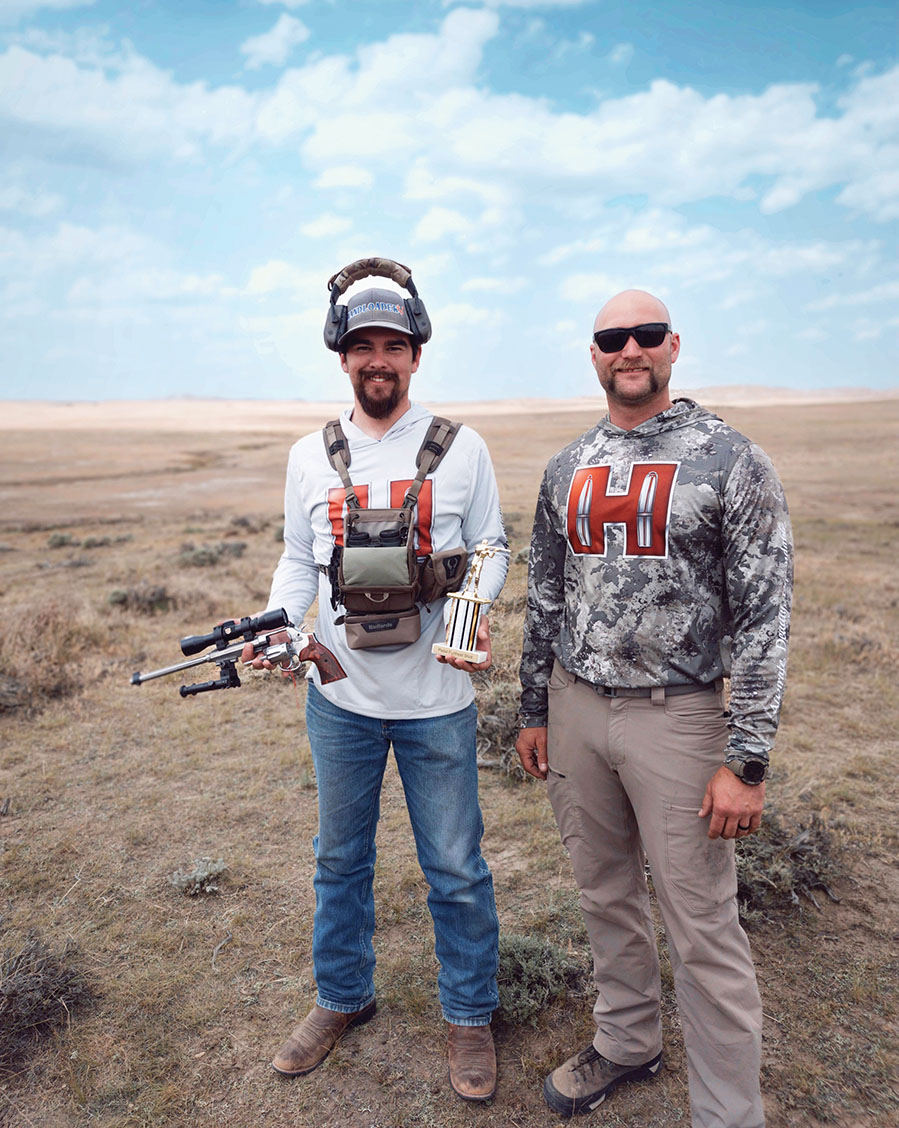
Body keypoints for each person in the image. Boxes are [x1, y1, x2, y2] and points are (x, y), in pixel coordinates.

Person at [516, 289, 792, 1126]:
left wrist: (745, 760)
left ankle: (726, 1111)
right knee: (603, 894)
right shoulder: (567, 467)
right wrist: (532, 707)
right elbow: (545, 595)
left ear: (671, 345)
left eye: (643, 335)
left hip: (679, 718)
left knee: (701, 924)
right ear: (592, 354)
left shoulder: (728, 459)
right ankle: (627, 1041)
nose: (626, 349)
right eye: (610, 338)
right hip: (575, 708)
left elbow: (764, 615)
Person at [248, 273, 508, 1102]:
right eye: (362, 346)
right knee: (337, 860)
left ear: (416, 354)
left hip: (438, 705)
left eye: (393, 346)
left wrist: (469, 610)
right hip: (341, 702)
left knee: (456, 868)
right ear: (343, 357)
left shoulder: (461, 448)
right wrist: (279, 624)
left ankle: (468, 1018)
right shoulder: (307, 455)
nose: (378, 360)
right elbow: (297, 559)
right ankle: (341, 1000)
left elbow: (493, 546)